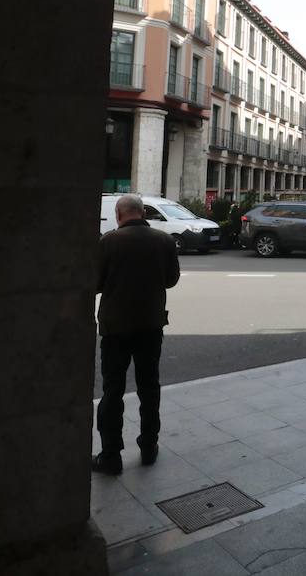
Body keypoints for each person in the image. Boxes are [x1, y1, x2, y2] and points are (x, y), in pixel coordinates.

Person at [94, 194, 180, 475]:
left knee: (113, 391)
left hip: (115, 328)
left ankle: (110, 456)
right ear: (143, 213)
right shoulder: (164, 240)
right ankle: (148, 446)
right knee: (149, 388)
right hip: (151, 325)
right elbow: (170, 280)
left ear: (119, 215)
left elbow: (94, 283)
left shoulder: (108, 242)